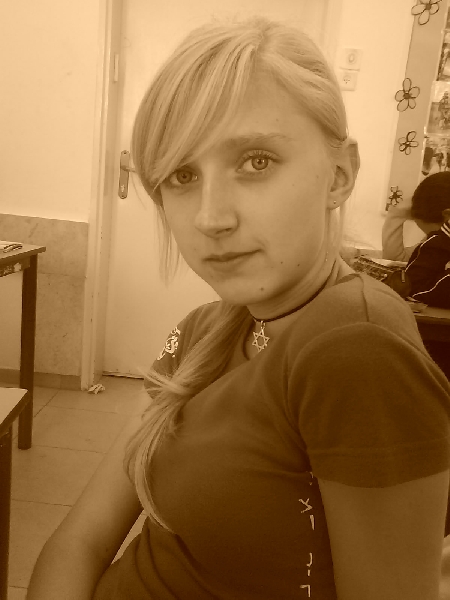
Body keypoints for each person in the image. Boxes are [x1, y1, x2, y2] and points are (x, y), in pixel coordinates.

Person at [27, 16, 450, 600]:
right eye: (182, 175)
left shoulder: (355, 347)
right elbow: (81, 540)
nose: (211, 217)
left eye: (256, 161)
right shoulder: (207, 328)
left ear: (340, 175)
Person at [382, 172, 450, 308]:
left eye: (432, 235)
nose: (428, 241)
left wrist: (396, 214)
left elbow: (411, 285)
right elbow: (398, 260)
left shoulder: (440, 241)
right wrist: (396, 214)